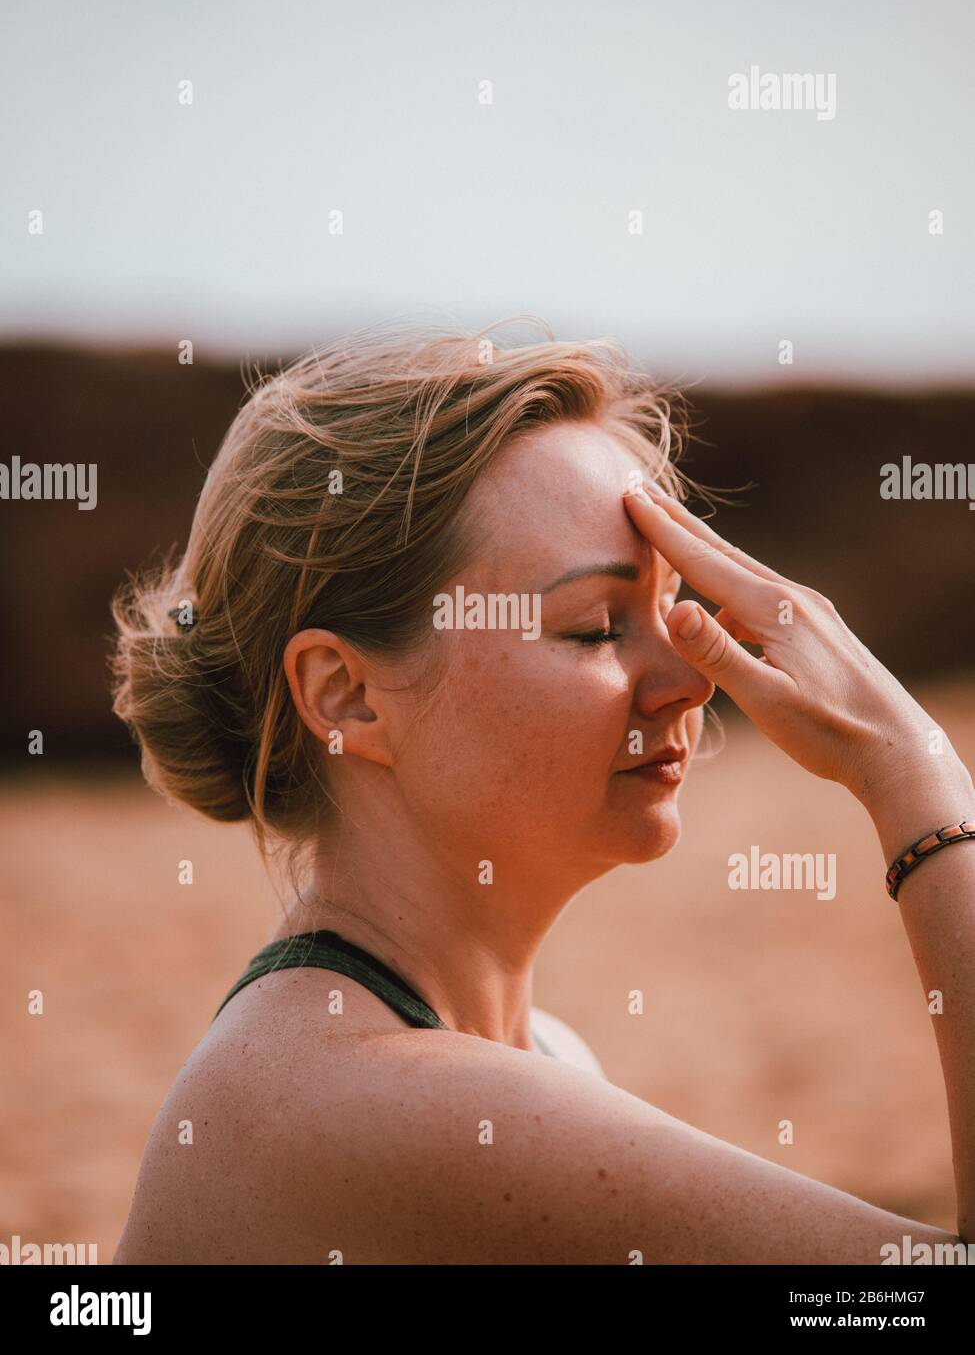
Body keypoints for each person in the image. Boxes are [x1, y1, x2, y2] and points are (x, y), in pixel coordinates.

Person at [110, 320, 975, 1264]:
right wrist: (915, 779)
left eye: (666, 610)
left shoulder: (532, 1059)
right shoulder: (369, 1099)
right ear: (346, 695)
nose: (688, 678)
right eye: (596, 626)